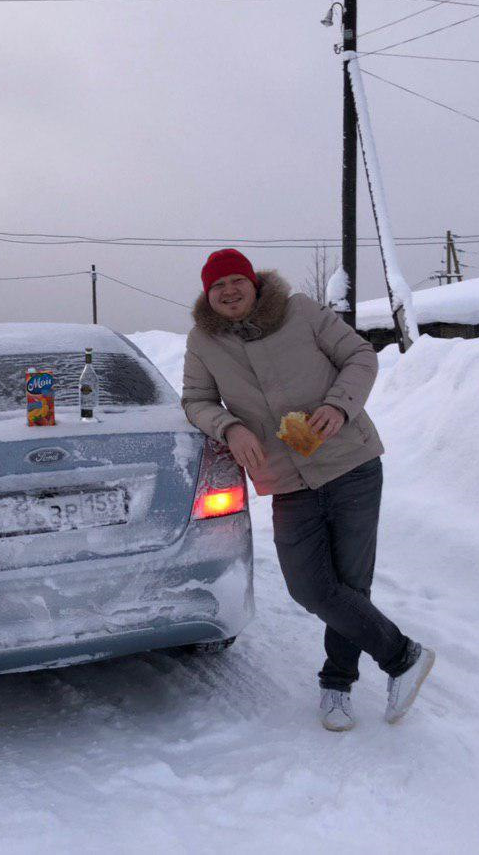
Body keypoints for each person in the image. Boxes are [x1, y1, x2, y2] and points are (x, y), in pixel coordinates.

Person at [181, 247, 434, 730]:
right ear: (208, 295)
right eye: (218, 287)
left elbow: (360, 355)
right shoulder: (203, 341)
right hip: (285, 479)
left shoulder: (300, 311)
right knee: (310, 587)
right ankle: (404, 656)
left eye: (236, 281)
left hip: (351, 463)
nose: (229, 292)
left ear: (253, 282)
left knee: (351, 584)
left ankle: (336, 684)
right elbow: (196, 400)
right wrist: (229, 427)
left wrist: (340, 407)